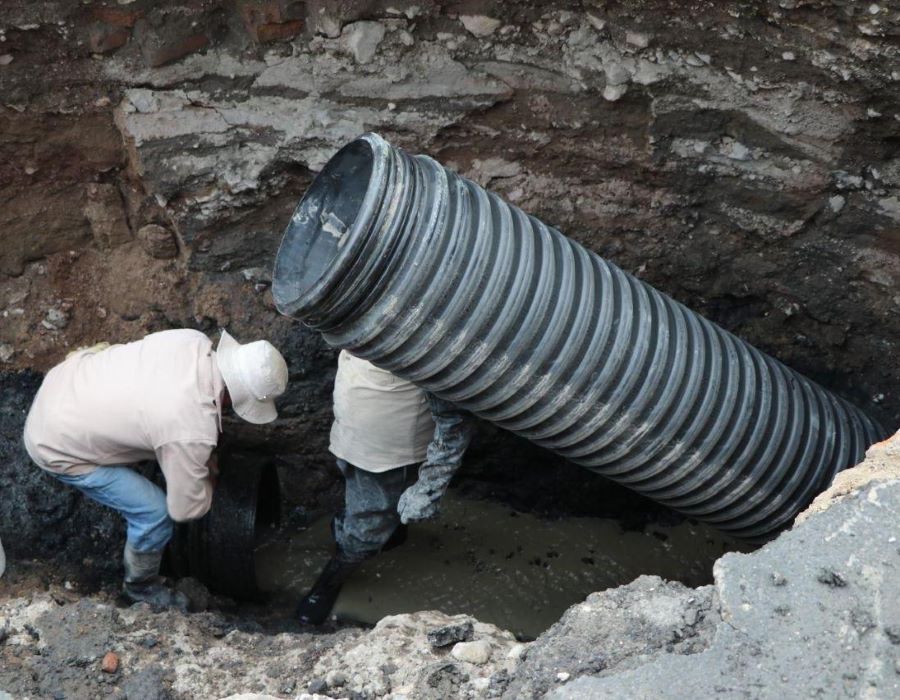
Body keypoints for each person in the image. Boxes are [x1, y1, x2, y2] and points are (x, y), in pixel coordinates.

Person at [23, 329, 288, 609]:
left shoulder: (193, 340)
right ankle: (140, 587)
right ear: (233, 398)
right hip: (52, 442)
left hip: (66, 379)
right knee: (155, 513)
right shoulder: (189, 429)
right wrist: (207, 477)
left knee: (161, 439)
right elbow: (184, 510)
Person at [296, 349, 473, 625]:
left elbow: (454, 423)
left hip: (390, 455)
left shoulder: (431, 340)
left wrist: (430, 487)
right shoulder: (366, 317)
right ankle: (381, 533)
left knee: (365, 531)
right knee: (365, 499)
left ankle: (330, 581)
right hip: (352, 427)